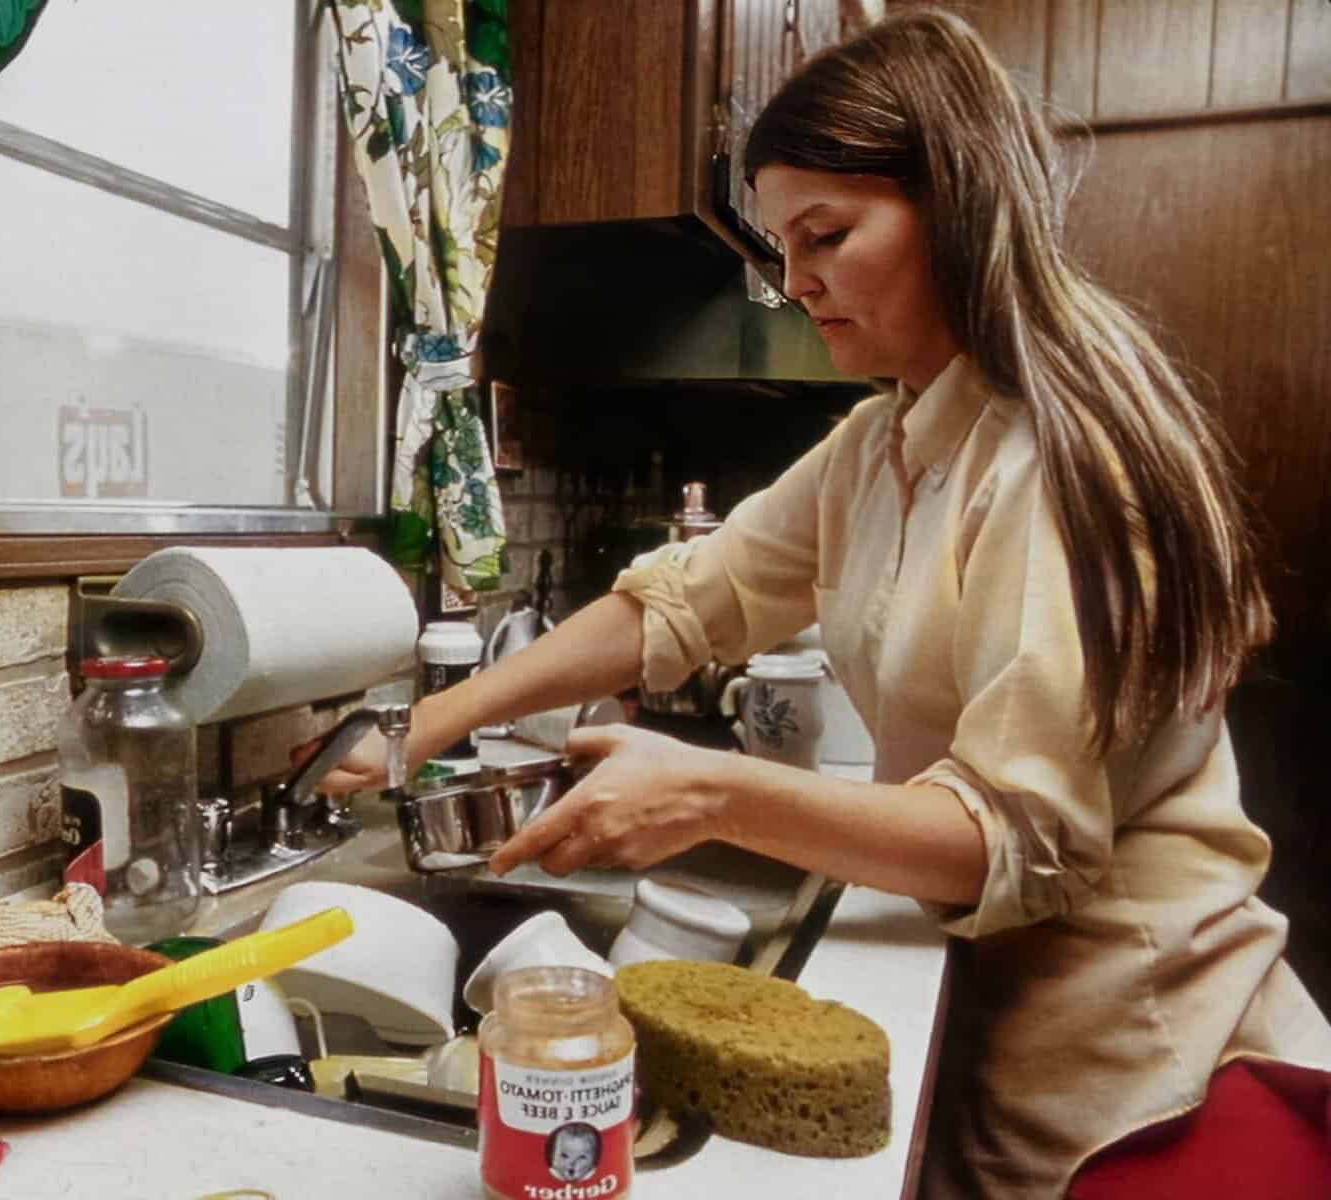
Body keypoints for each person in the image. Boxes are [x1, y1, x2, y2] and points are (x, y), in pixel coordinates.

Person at [303, 10, 1331, 1197]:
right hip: (1024, 1053)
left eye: (825, 234)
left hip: (1151, 1090)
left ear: (956, 201)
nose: (792, 284)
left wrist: (708, 790)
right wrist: (416, 731)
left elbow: (1013, 844)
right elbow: (686, 601)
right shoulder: (886, 440)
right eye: (780, 245)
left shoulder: (1060, 460)